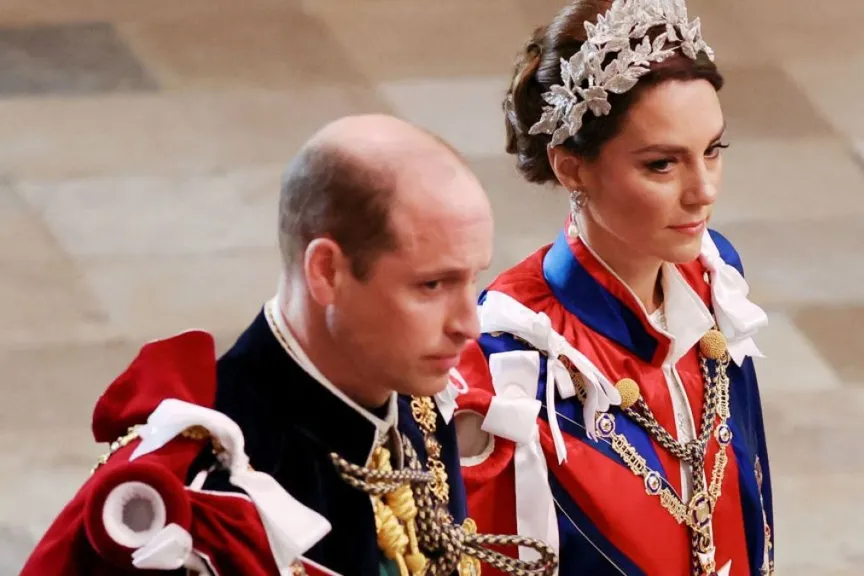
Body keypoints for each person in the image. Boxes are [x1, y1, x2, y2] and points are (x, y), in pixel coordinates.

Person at [20, 115, 557, 576]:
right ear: (326, 271)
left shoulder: (414, 400)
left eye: (472, 278)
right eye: (432, 286)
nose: (469, 324)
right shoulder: (208, 500)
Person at [452, 1, 775, 575]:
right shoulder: (512, 360)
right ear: (572, 167)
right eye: (661, 165)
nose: (703, 191)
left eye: (713, 151)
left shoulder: (714, 277)